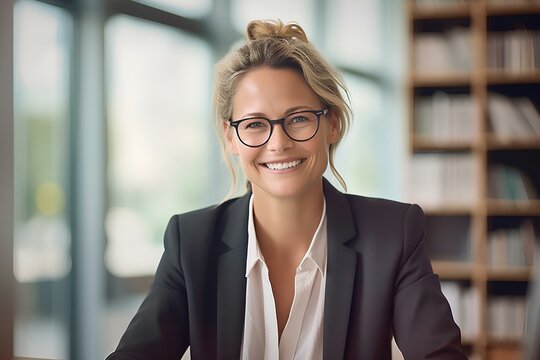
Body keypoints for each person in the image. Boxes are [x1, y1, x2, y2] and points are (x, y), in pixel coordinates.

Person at [106, 19, 467, 360]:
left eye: (298, 119)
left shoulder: (392, 234)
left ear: (333, 125)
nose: (278, 143)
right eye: (254, 124)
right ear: (231, 136)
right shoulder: (191, 242)